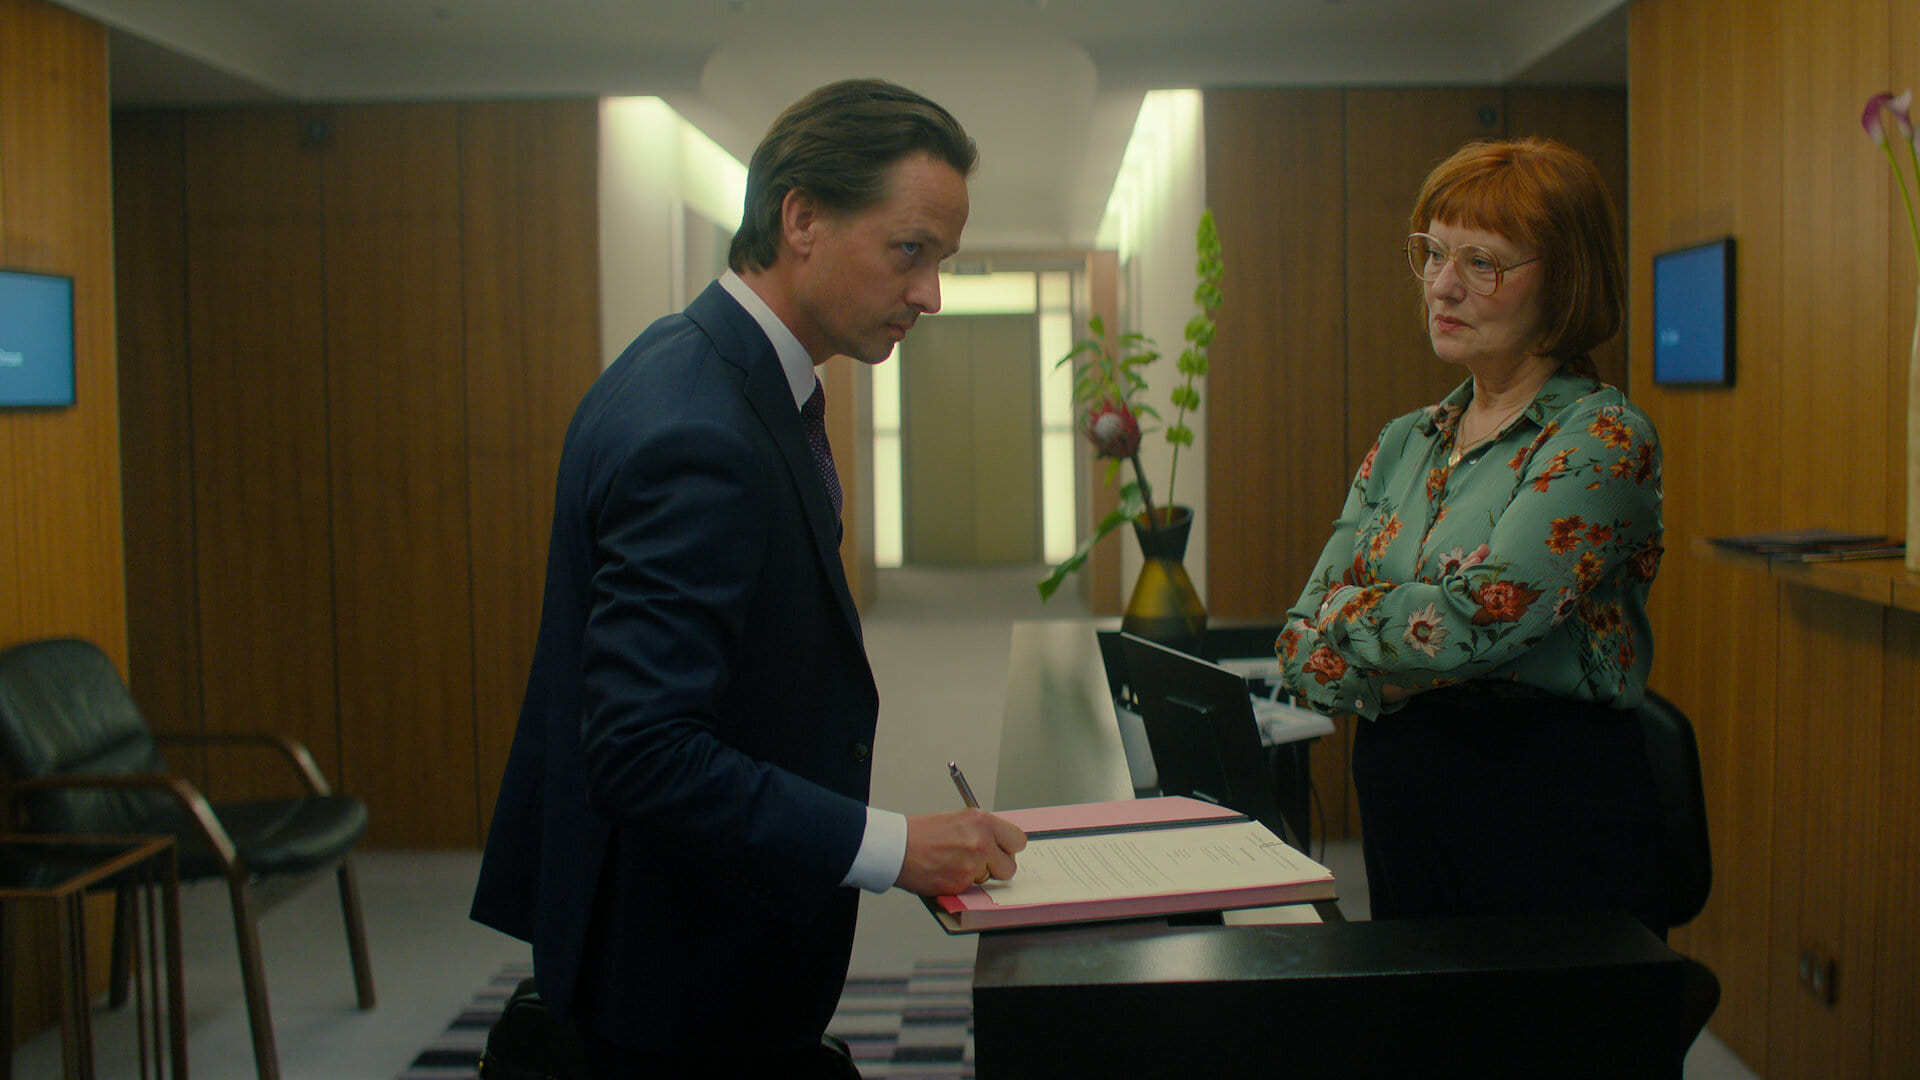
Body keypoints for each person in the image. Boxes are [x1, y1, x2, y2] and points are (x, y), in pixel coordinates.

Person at [471, 79, 1027, 1079]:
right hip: (676, 975)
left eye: (940, 261)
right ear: (801, 218)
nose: (930, 295)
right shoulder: (699, 429)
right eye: (909, 251)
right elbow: (642, 752)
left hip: (688, 941)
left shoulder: (700, 365)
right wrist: (894, 847)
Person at [1275, 137, 1669, 935]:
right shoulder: (1405, 441)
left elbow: (1483, 617)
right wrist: (1396, 665)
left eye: (1481, 262)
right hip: (1407, 811)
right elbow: (1294, 640)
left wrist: (1349, 619)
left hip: (1544, 818)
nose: (1442, 286)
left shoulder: (1601, 437)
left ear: (1563, 282)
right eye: (1434, 253)